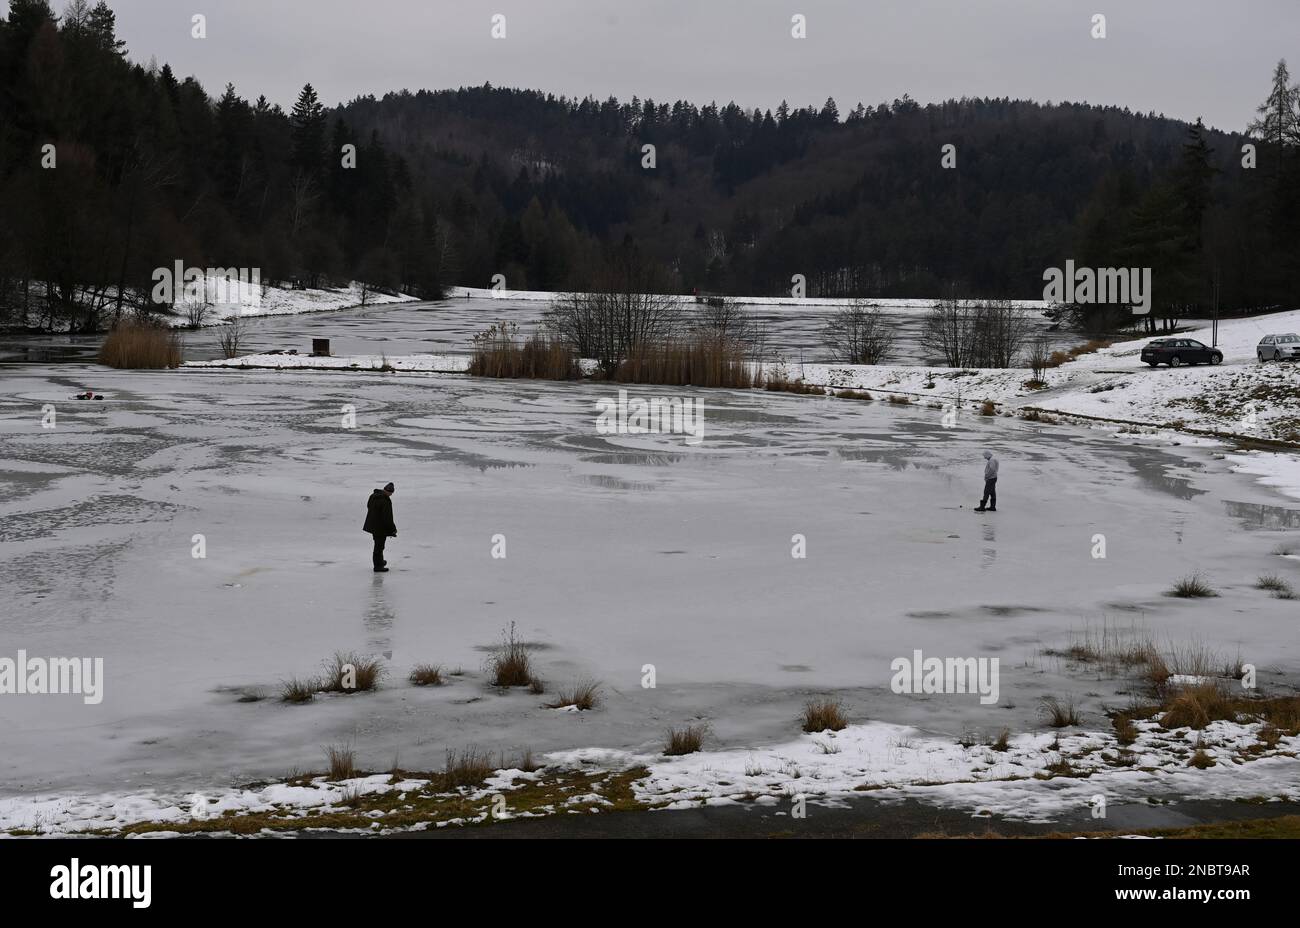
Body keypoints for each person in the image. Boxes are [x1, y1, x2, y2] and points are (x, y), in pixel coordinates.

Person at [363, 482, 397, 572]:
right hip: (380, 527)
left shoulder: (373, 496)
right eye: (391, 493)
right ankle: (378, 566)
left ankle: (380, 562)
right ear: (388, 491)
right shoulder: (385, 501)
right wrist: (393, 530)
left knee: (378, 545)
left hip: (373, 525)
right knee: (379, 547)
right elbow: (387, 518)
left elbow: (368, 506)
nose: (391, 495)